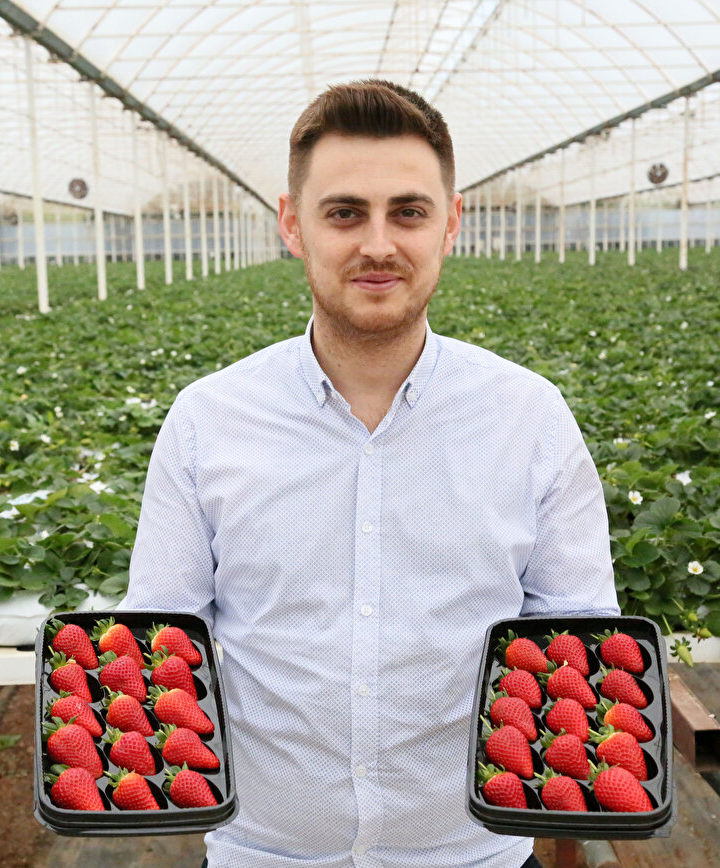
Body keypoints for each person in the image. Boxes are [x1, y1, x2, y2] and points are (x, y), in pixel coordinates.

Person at [121, 79, 618, 868]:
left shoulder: (530, 419)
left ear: (451, 223)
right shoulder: (207, 421)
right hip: (265, 856)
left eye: (409, 212)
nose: (378, 244)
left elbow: (583, 645)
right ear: (293, 223)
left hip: (475, 857)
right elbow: (154, 643)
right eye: (345, 212)